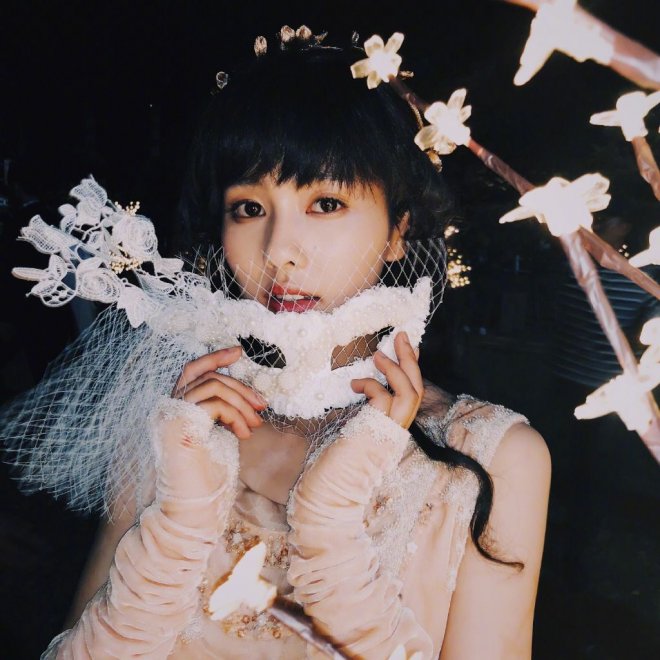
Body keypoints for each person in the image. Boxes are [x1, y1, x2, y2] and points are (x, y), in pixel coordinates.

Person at [4, 29, 550, 659]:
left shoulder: (494, 458)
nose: (278, 252)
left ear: (399, 229)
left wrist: (332, 530)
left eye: (325, 202)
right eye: (248, 208)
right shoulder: (183, 419)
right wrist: (180, 520)